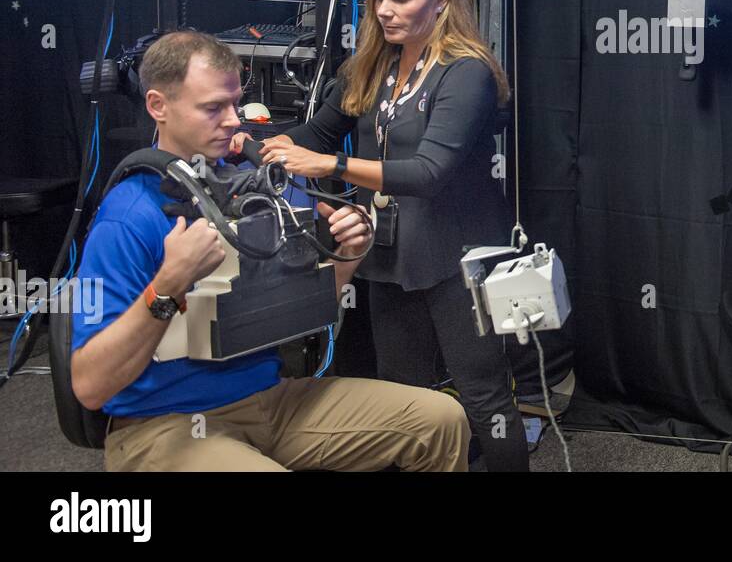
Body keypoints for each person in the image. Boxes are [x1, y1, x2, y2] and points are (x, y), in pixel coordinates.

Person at [71, 30, 470, 471]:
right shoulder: (128, 217)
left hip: (271, 403)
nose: (232, 121)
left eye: (234, 104)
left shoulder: (255, 191)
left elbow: (298, 318)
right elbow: (90, 386)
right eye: (212, 108)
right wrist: (168, 286)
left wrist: (347, 257)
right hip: (164, 425)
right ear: (158, 107)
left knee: (440, 420)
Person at [232, 0, 529, 472]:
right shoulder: (369, 65)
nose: (385, 11)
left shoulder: (467, 73)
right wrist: (250, 139)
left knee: (484, 398)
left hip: (460, 256)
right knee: (404, 398)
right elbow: (317, 135)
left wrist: (333, 168)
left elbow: (430, 173)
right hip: (391, 250)